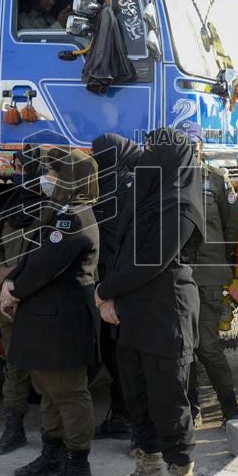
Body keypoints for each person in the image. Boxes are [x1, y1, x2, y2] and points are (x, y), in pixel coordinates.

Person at [95, 127, 203, 476]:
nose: (146, 156)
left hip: (166, 314)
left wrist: (104, 291)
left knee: (168, 401)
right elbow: (121, 251)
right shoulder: (146, 195)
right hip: (134, 313)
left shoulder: (181, 203)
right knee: (138, 397)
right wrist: (110, 296)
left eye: (155, 150)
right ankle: (148, 474)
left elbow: (152, 260)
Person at [0, 149, 101, 476]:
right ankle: (52, 452)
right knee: (48, 392)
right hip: (47, 320)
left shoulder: (74, 217)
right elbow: (35, 256)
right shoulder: (62, 213)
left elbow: (46, 264)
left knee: (69, 393)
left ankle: (78, 463)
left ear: (72, 178)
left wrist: (13, 290)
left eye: (55, 173)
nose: (48, 178)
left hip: (63, 322)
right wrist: (12, 282)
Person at [176, 121, 238, 426]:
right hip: (177, 276)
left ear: (202, 145)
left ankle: (229, 405)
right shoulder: (167, 177)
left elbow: (232, 226)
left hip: (209, 273)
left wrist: (222, 261)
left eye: (194, 142)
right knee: (183, 345)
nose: (190, 147)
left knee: (207, 344)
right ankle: (192, 406)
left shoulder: (217, 180)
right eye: (183, 141)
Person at [0, 147, 44, 455]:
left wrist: (18, 274)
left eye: (25, 166)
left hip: (37, 299)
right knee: (14, 367)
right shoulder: (8, 205)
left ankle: (55, 436)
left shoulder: (50, 208)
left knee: (45, 371)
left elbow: (51, 255)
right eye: (16, 166)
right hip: (8, 298)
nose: (19, 172)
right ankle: (14, 428)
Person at [90, 133, 144, 439]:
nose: (96, 158)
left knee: (125, 354)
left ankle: (133, 423)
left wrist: (114, 286)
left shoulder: (129, 185)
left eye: (101, 153)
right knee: (111, 352)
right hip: (102, 281)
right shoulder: (101, 185)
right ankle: (121, 414)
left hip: (120, 284)